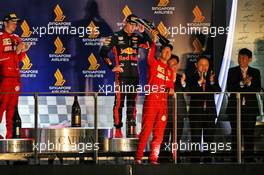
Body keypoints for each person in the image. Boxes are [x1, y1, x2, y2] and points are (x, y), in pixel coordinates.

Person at [99, 14, 152, 138]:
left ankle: (132, 129)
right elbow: (103, 52)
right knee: (119, 103)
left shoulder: (137, 37)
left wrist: (143, 33)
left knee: (132, 104)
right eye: (131, 24)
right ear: (125, 22)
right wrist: (112, 67)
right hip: (121, 77)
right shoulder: (115, 36)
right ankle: (118, 129)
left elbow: (149, 45)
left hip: (135, 77)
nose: (133, 27)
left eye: (135, 25)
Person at [135, 30, 174, 164]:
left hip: (163, 105)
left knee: (159, 134)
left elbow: (171, 88)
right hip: (151, 101)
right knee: (146, 131)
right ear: (161, 52)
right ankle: (138, 158)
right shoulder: (153, 63)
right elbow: (150, 54)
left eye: (169, 52)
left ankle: (153, 159)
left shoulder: (170, 71)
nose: (167, 53)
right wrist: (153, 41)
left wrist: (170, 90)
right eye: (165, 51)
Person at [226, 48, 261, 162]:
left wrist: (249, 82)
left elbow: (257, 89)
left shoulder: (255, 72)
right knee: (235, 134)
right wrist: (241, 83)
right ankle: (234, 158)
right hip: (234, 108)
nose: (241, 59)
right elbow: (230, 88)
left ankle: (249, 158)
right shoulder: (232, 71)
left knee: (249, 134)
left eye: (244, 58)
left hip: (250, 109)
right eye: (240, 57)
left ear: (249, 59)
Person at [0, 13, 30, 139]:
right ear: (5, 23)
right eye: (12, 22)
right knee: (1, 105)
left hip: (16, 78)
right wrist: (14, 52)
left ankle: (10, 135)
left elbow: (19, 58)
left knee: (12, 107)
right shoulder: (0, 37)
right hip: (4, 77)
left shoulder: (17, 38)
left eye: (16, 23)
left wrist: (22, 51)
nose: (15, 25)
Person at [188, 55, 221, 162]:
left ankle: (208, 162)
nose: (204, 67)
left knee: (209, 140)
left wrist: (211, 82)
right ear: (196, 65)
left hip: (210, 113)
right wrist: (199, 82)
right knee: (196, 139)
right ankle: (195, 162)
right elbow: (189, 91)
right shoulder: (191, 76)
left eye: (206, 65)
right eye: (201, 65)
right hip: (196, 113)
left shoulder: (211, 76)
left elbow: (218, 91)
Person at [159, 54, 188, 163]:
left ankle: (176, 157)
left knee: (177, 138)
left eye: (175, 64)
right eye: (171, 64)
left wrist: (183, 83)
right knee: (164, 138)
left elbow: (188, 92)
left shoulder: (182, 77)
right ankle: (163, 158)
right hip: (165, 112)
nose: (173, 66)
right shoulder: (162, 77)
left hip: (179, 112)